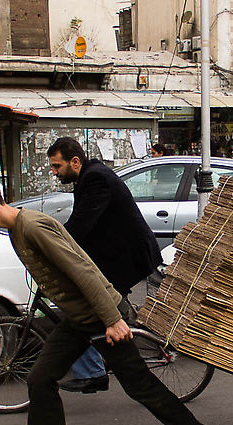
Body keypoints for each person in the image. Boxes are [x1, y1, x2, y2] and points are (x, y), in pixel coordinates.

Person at [0, 178, 221, 425]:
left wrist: (111, 319)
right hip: (78, 318)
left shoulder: (32, 228)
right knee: (40, 378)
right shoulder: (18, 230)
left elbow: (82, 270)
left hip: (98, 315)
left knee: (140, 386)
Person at [47, 137, 162, 394]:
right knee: (97, 303)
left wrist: (49, 244)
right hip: (116, 253)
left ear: (75, 162)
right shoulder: (87, 177)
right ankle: (105, 356)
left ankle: (95, 371)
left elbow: (80, 225)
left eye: (57, 166)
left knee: (88, 304)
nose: (54, 173)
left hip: (128, 256)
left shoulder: (95, 179)